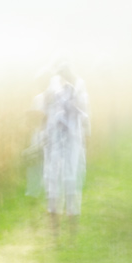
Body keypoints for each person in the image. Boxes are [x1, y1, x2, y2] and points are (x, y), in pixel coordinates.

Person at [39, 64, 89, 240]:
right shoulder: (52, 88)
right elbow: (44, 114)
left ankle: (72, 237)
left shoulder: (79, 87)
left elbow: (83, 116)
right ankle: (55, 236)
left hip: (72, 144)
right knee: (52, 186)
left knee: (71, 185)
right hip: (54, 144)